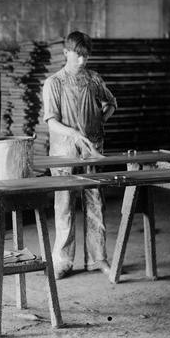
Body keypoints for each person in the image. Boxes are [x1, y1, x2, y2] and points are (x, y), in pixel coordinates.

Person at [42, 31, 117, 280]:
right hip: (64, 154)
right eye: (78, 55)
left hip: (92, 151)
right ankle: (62, 261)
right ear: (65, 53)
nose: (83, 61)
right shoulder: (54, 83)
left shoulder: (94, 80)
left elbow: (111, 103)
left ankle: (97, 259)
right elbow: (51, 121)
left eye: (86, 56)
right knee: (64, 205)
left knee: (95, 202)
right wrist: (74, 134)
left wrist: (99, 121)